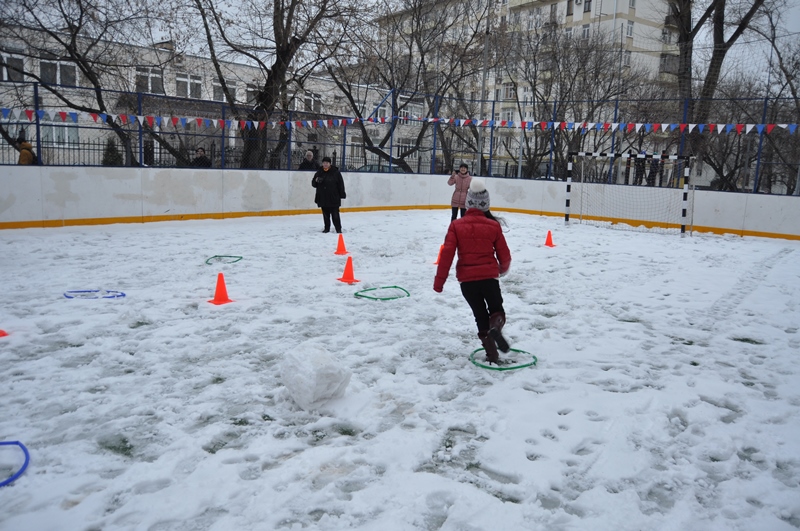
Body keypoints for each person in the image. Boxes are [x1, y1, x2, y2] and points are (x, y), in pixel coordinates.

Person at [433, 180, 512, 364]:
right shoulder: (493, 226)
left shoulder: (456, 226)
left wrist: (439, 282)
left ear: (468, 203)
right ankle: (496, 327)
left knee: (480, 315)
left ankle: (492, 354)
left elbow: (447, 255)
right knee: (496, 310)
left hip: (467, 281)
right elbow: (505, 255)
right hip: (489, 278)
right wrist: (501, 270)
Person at [311, 156, 346, 233]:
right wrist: (316, 180)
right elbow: (313, 184)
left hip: (333, 197)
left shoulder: (335, 172)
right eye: (324, 163)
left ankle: (338, 228)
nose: (325, 164)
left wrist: (342, 194)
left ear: (330, 164)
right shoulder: (319, 172)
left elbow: (340, 184)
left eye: (327, 163)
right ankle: (326, 228)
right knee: (325, 215)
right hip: (323, 197)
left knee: (335, 214)